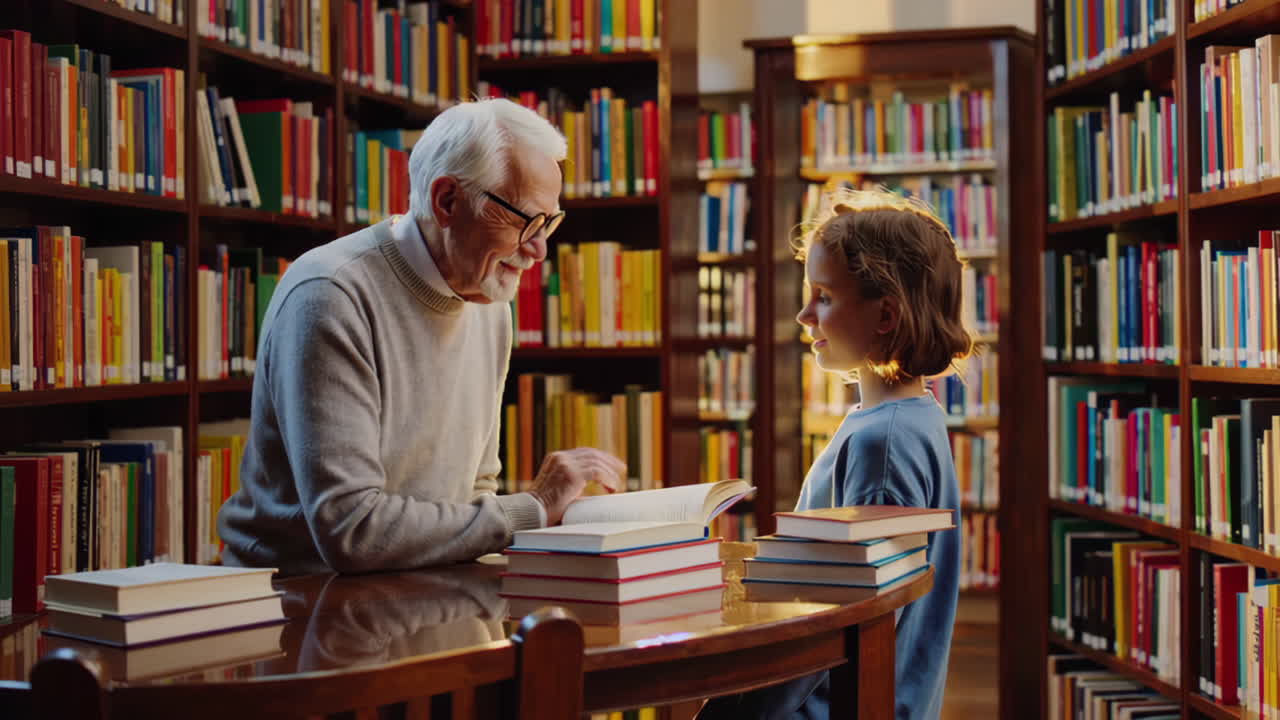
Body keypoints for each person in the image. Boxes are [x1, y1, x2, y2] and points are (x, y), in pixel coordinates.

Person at [217, 98, 623, 575]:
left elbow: (474, 493)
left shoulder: (490, 301)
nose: (538, 249)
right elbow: (352, 529)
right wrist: (532, 509)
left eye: (550, 221)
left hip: (418, 586)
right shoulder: (330, 295)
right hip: (302, 605)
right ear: (446, 200)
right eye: (525, 221)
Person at [698, 188, 971, 720]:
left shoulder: (884, 444)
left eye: (823, 296)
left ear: (885, 315)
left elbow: (854, 626)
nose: (804, 315)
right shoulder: (914, 418)